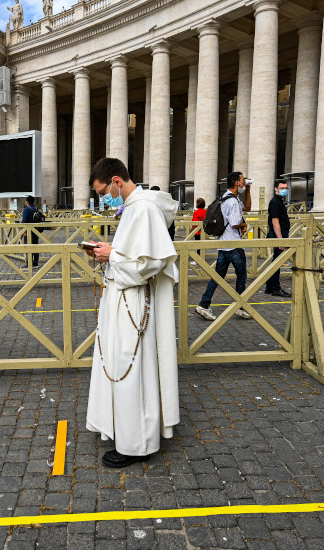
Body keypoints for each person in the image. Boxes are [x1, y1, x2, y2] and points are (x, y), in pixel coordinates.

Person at [84, 158, 180, 468]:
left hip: (134, 302)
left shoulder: (143, 208)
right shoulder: (133, 207)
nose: (103, 198)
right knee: (123, 366)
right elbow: (134, 251)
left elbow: (149, 264)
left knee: (132, 370)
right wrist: (108, 249)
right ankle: (127, 433)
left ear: (115, 180)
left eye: (103, 191)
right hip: (122, 299)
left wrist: (112, 254)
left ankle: (139, 444)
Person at [194, 172, 253, 321]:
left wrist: (248, 190)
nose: (244, 181)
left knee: (217, 277)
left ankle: (204, 305)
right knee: (242, 276)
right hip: (233, 244)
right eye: (242, 180)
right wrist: (244, 224)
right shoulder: (232, 202)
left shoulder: (227, 198)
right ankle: (239, 306)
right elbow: (234, 223)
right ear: (236, 183)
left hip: (224, 244)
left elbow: (247, 207)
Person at [264, 180, 291, 297]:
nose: (284, 190)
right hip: (279, 234)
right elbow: (275, 221)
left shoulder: (279, 201)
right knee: (277, 261)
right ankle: (275, 288)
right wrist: (280, 239)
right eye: (282, 188)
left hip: (280, 233)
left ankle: (270, 286)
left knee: (276, 260)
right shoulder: (275, 202)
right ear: (276, 189)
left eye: (286, 188)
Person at [21, 196, 42, 266]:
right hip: (36, 230)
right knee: (35, 246)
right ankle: (35, 262)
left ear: (27, 202)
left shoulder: (26, 210)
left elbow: (24, 221)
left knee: (28, 246)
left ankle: (29, 263)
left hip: (28, 231)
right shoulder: (36, 209)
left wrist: (24, 231)